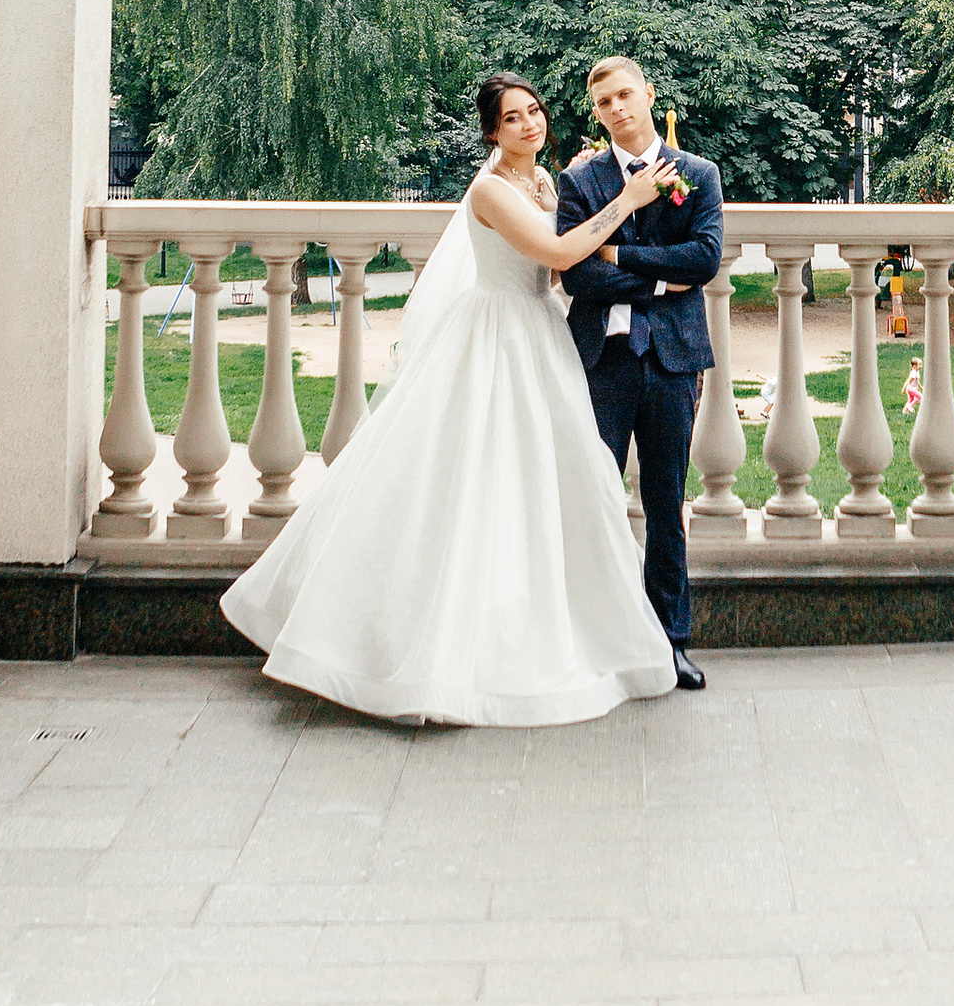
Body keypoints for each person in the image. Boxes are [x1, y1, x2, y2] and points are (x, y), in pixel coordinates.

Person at [217, 75, 684, 725]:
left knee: (547, 483)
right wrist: (629, 199)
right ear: (492, 131)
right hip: (494, 335)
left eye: (534, 111)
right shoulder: (490, 189)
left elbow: (558, 274)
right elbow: (554, 249)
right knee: (473, 482)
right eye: (512, 118)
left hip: (541, 331)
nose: (529, 124)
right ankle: (426, 648)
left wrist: (595, 196)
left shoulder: (544, 182)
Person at [556, 55, 725, 692]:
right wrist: (660, 277)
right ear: (597, 113)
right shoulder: (580, 181)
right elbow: (578, 274)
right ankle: (593, 640)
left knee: (665, 502)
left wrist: (621, 254)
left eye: (625, 95)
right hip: (600, 361)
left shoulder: (698, 174)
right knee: (593, 501)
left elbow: (703, 259)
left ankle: (670, 642)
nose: (617, 108)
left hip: (673, 360)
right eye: (604, 102)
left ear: (649, 95)